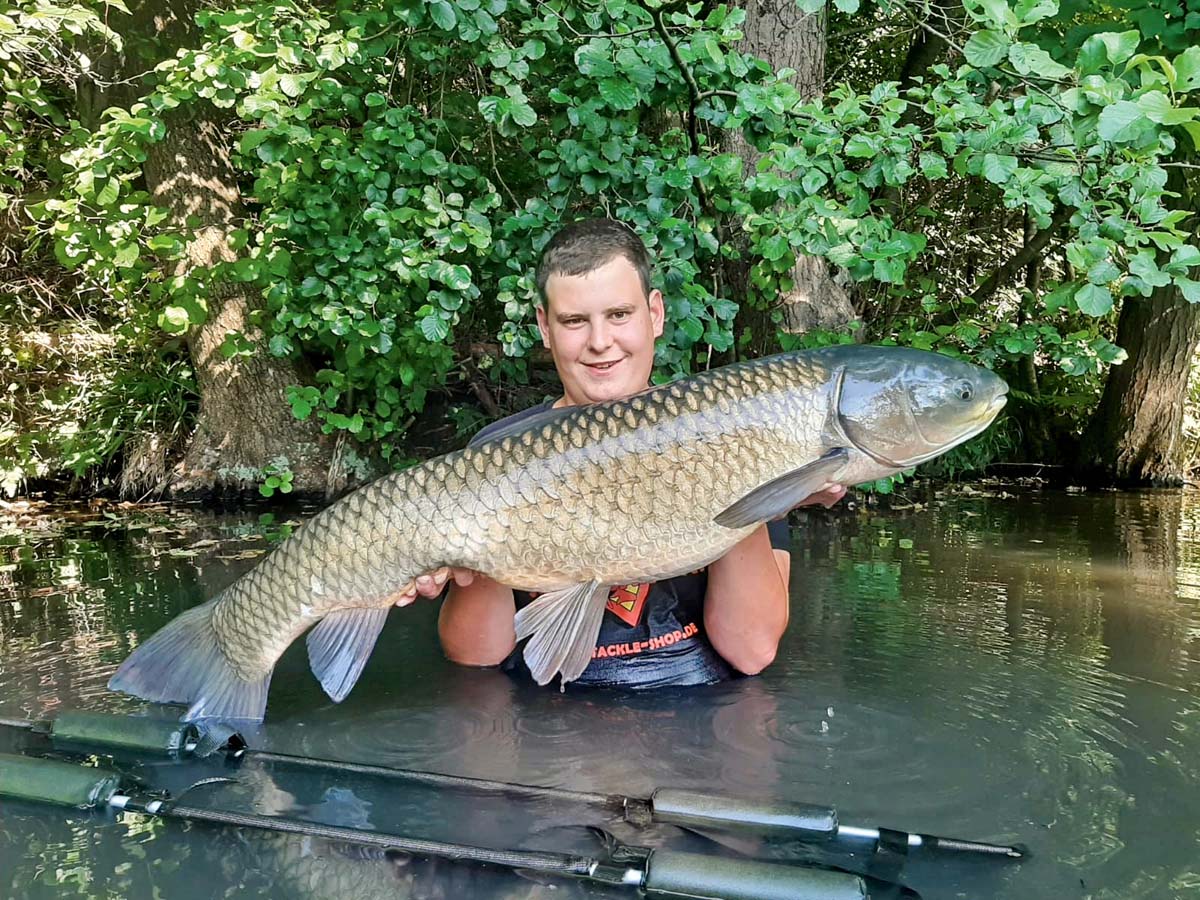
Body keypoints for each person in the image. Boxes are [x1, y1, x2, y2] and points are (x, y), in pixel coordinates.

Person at [396, 218, 845, 687]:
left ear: (655, 314)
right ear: (545, 328)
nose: (599, 342)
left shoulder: (735, 432)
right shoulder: (497, 454)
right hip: (544, 714)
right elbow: (475, 657)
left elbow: (752, 651)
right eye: (574, 321)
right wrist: (475, 560)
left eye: (619, 315)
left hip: (692, 708)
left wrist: (752, 499)